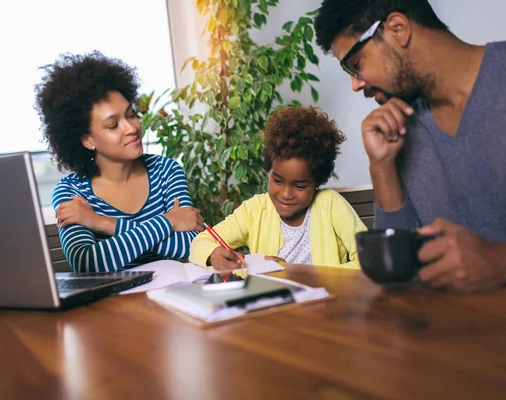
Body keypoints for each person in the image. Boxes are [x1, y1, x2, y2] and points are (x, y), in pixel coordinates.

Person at [314, 0, 506, 292]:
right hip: (450, 330)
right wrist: (381, 164)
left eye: (355, 64)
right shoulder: (403, 123)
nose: (355, 85)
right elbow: (397, 268)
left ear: (398, 28)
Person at [35, 51, 204, 274]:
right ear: (88, 139)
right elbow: (88, 262)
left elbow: (192, 245)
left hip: (175, 297)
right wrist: (169, 222)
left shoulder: (166, 171)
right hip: (116, 306)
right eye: (113, 125)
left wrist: (102, 223)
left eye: (131, 114)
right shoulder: (72, 192)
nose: (132, 128)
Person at [189, 106, 367, 270]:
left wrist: (299, 272)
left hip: (326, 301)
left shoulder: (331, 205)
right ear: (269, 172)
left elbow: (368, 261)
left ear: (317, 181)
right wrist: (213, 255)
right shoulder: (255, 210)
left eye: (299, 186)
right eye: (278, 181)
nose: (285, 194)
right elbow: (201, 242)